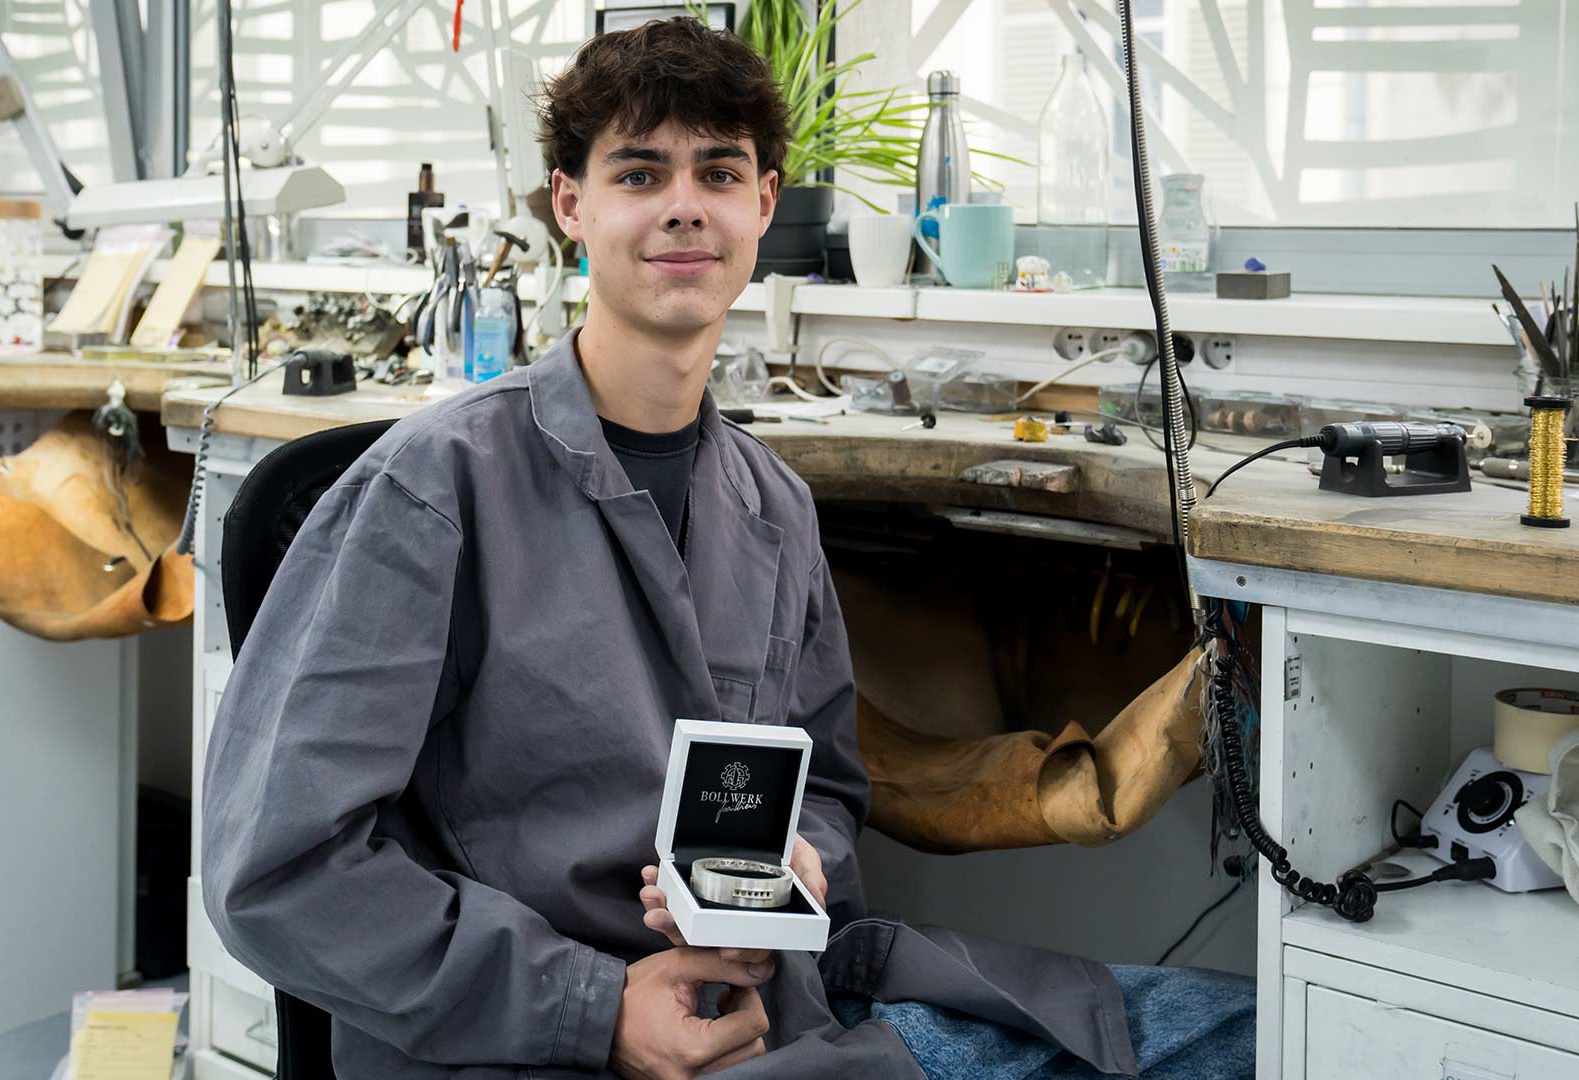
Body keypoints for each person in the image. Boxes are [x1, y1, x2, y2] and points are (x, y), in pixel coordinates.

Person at [201, 16, 1252, 1080]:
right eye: (640, 172)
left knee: (1244, 1027)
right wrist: (595, 1007)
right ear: (570, 203)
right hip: (530, 1044)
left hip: (767, 1012)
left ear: (763, 203)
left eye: (718, 171)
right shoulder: (432, 489)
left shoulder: (774, 505)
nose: (683, 206)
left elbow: (829, 796)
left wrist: (793, 884)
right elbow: (281, 870)